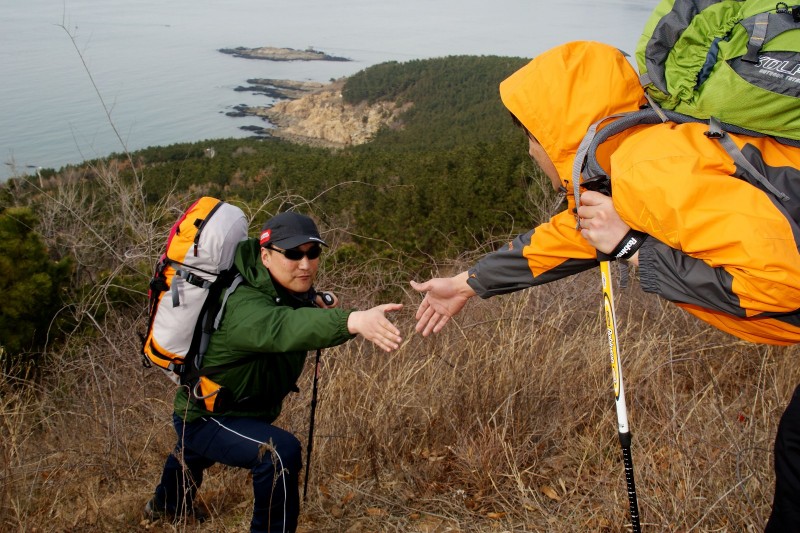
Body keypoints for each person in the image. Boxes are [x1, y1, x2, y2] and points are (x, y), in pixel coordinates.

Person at [410, 41, 800, 530]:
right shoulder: (636, 156)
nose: (530, 153)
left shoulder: (646, 170)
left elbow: (785, 287)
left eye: (531, 139)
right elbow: (576, 235)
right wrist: (470, 282)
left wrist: (634, 250)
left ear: (555, 135)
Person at [145, 211, 403, 532]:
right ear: (265, 255)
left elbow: (294, 307)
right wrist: (352, 320)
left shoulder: (276, 284)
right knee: (278, 453)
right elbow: (281, 325)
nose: (305, 264)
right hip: (210, 414)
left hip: (232, 404)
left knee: (193, 454)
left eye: (313, 252)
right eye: (293, 254)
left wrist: (316, 299)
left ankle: (165, 506)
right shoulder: (245, 306)